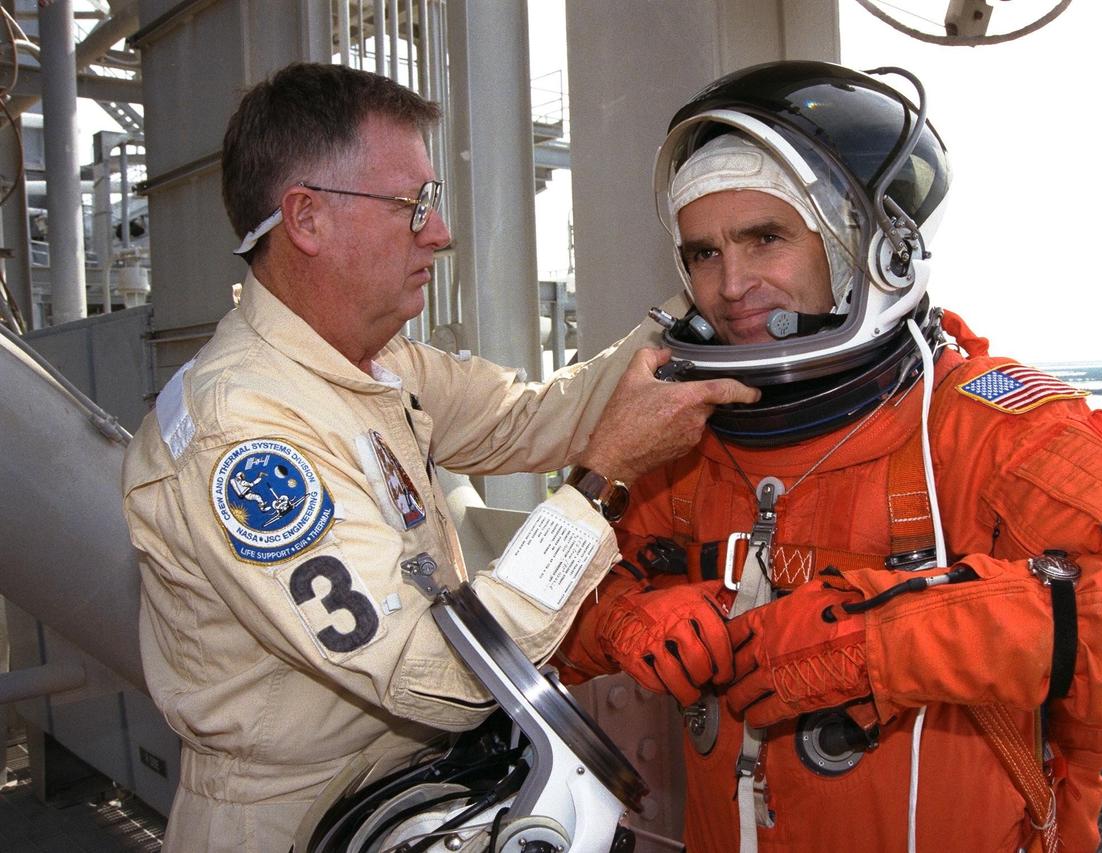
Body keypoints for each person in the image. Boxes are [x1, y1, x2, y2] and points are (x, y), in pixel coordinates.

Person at [558, 60, 1102, 853]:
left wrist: (885, 639)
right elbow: (555, 620)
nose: (732, 284)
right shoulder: (682, 440)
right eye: (704, 253)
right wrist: (626, 616)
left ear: (868, 248)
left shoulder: (983, 429)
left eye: (765, 238)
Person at [120, 62, 757, 852]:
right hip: (291, 822)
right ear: (308, 218)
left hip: (397, 792)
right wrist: (601, 481)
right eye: (413, 203)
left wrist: (698, 306)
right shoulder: (244, 436)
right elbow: (440, 676)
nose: (441, 232)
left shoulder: (373, 367)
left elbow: (533, 417)